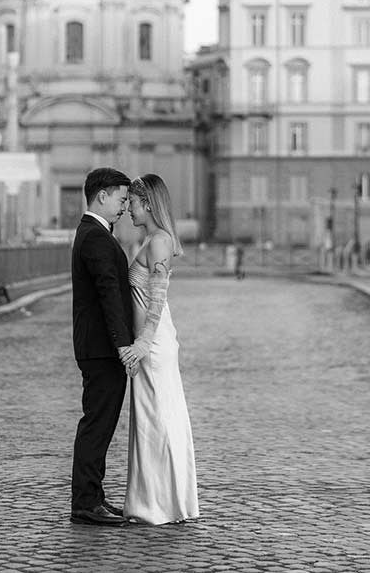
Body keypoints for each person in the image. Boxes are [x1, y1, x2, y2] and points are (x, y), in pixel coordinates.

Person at [120, 174, 199, 526]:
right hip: (151, 342)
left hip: (152, 343)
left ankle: (160, 504)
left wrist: (142, 342)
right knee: (151, 421)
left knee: (158, 422)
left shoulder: (159, 242)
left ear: (147, 203)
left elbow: (157, 298)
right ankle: (157, 500)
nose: (129, 211)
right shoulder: (153, 240)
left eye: (133, 204)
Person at [70, 167, 135, 527]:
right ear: (103, 196)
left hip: (99, 346)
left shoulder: (95, 232)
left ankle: (93, 496)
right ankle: (84, 502)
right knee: (97, 424)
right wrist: (123, 344)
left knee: (101, 424)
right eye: (122, 198)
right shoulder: (95, 236)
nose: (125, 206)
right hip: (101, 348)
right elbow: (108, 293)